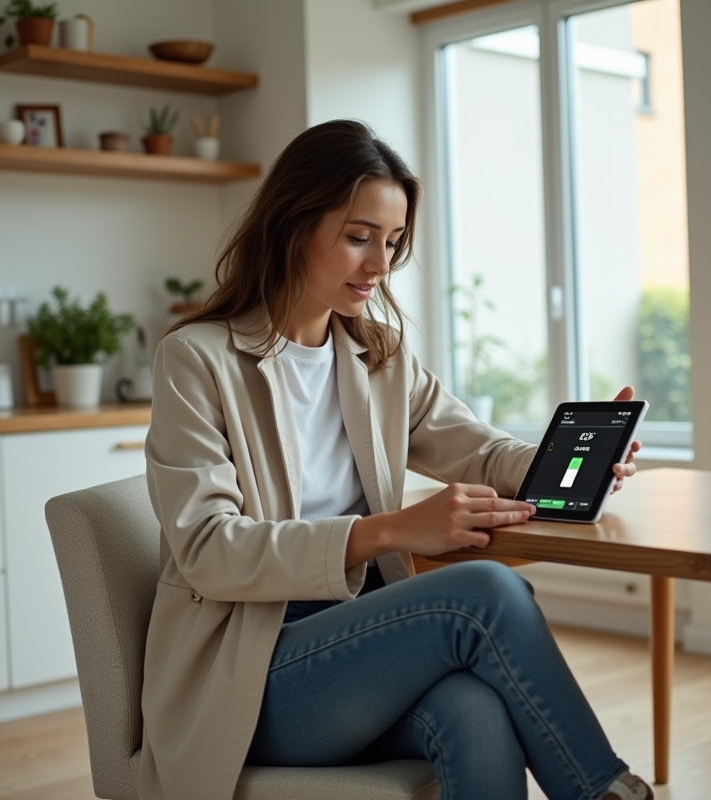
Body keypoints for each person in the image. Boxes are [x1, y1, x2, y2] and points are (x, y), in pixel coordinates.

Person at [142, 119, 650, 800]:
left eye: (393, 241)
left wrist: (577, 466)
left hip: (359, 654)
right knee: (488, 594)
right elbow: (208, 548)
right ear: (293, 225)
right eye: (358, 237)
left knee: (476, 712)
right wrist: (388, 531)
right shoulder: (197, 360)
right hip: (250, 677)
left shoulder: (377, 356)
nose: (380, 265)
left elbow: (481, 450)